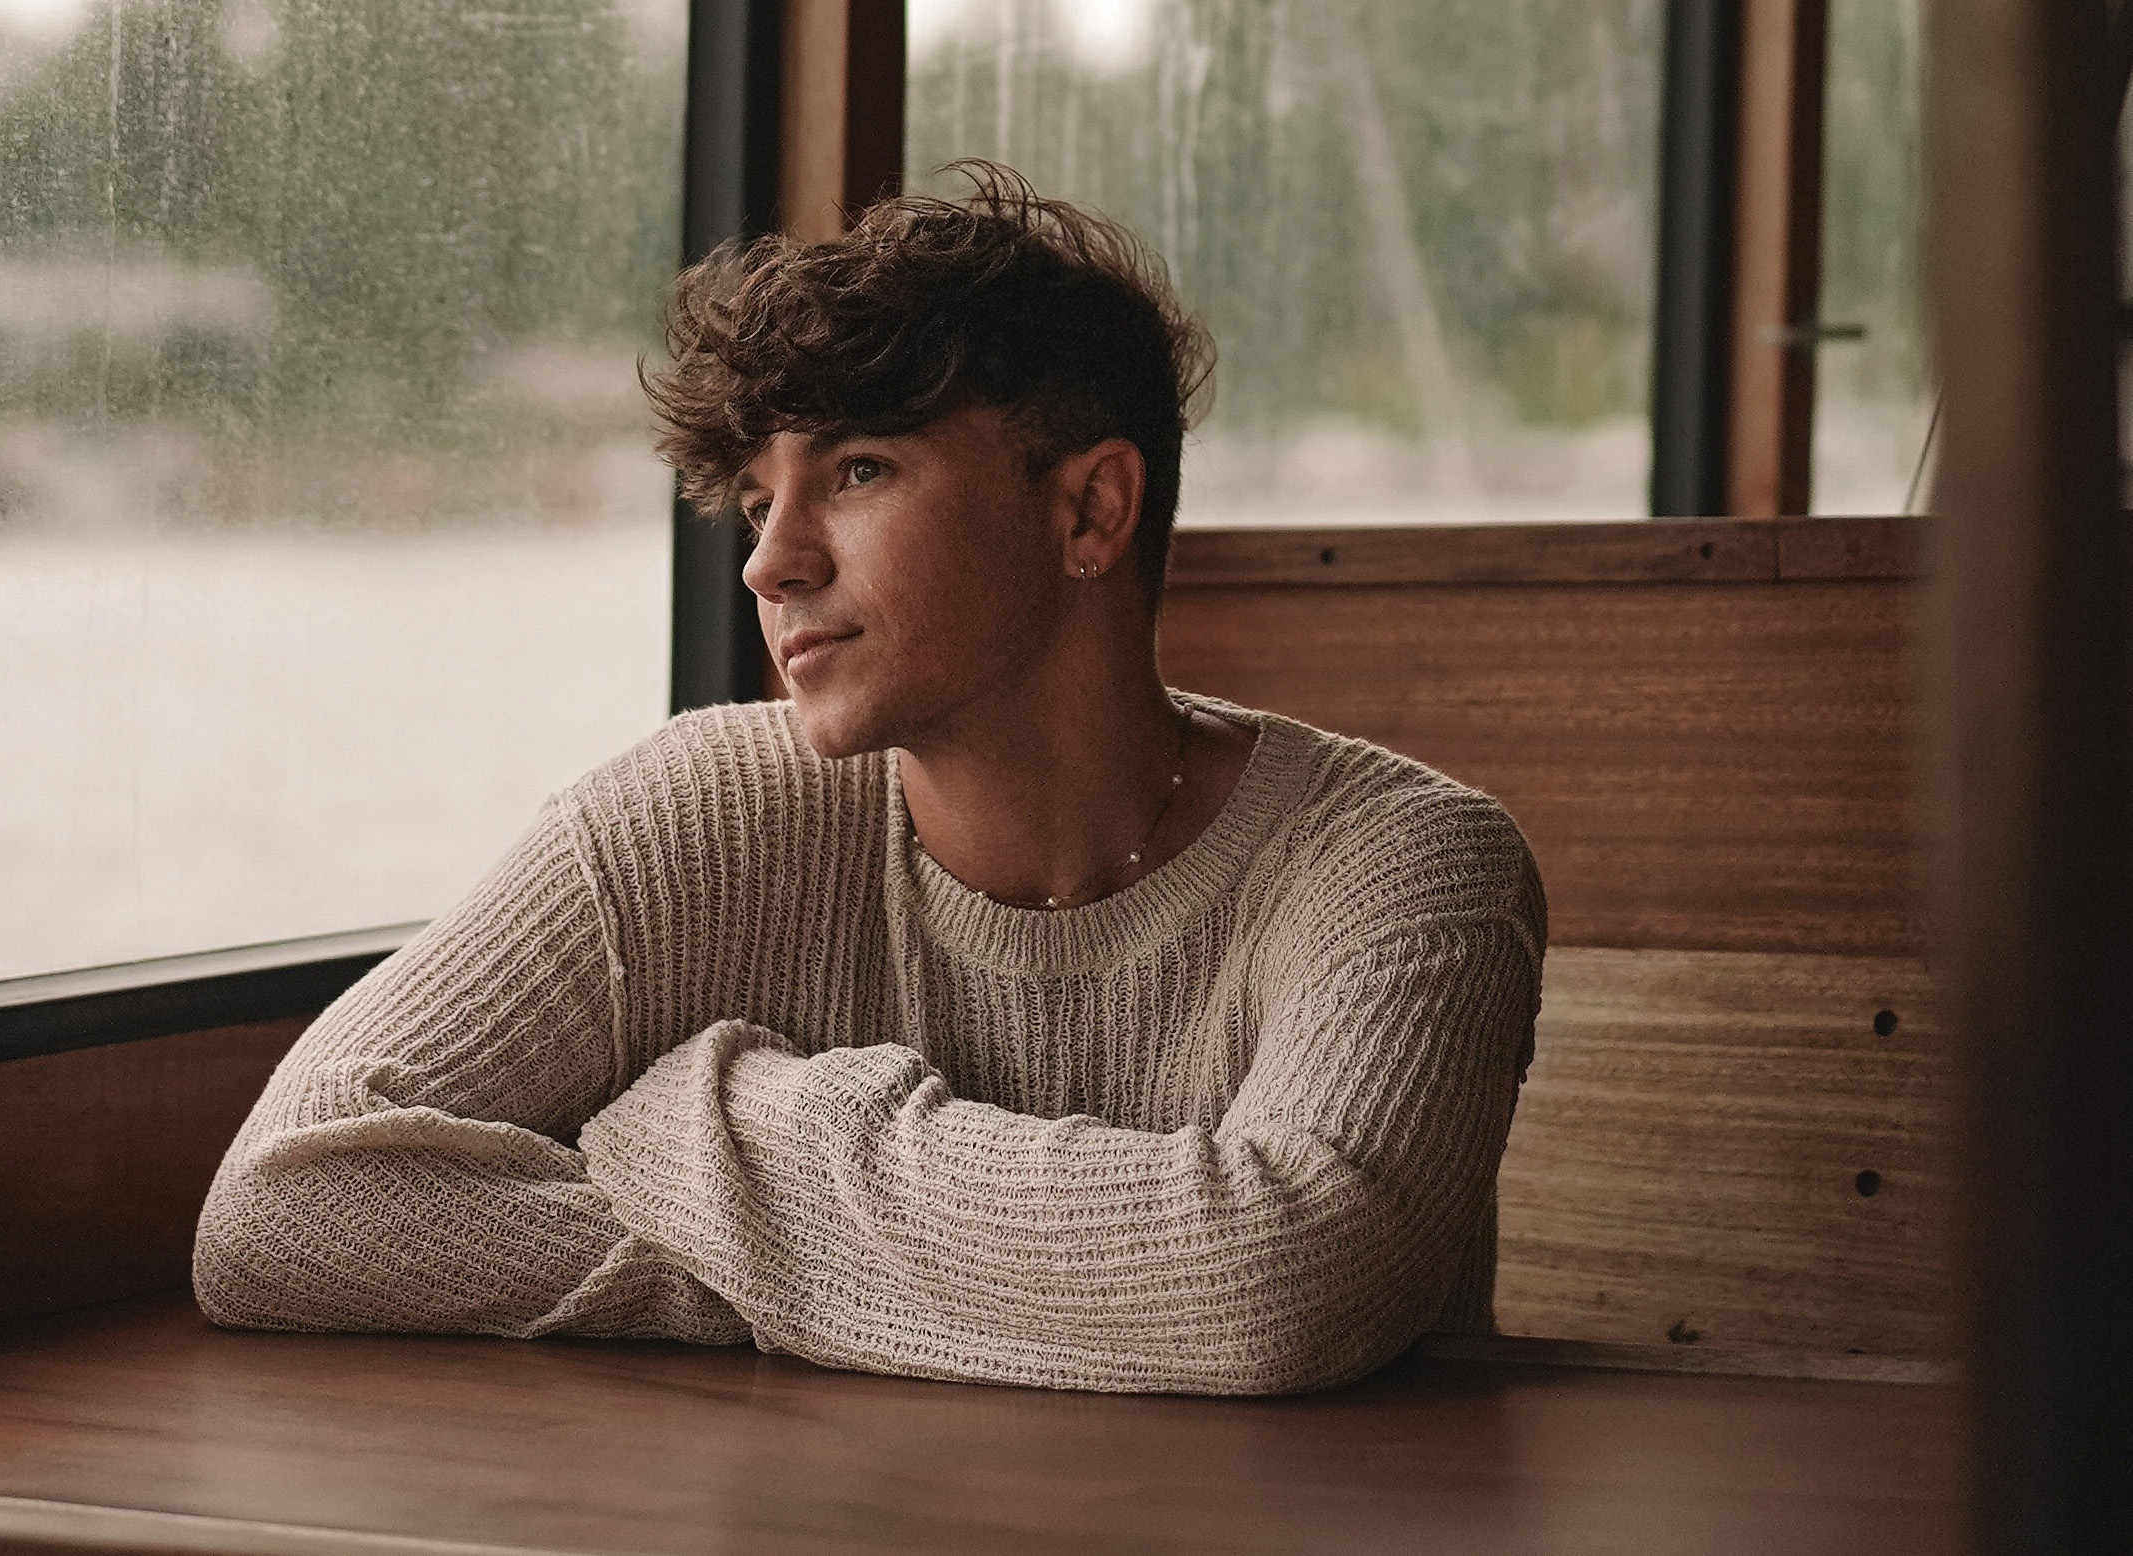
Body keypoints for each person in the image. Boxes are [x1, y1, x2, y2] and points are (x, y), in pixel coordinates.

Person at [192, 163, 1546, 1395]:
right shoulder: (702, 814)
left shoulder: (1404, 863)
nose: (770, 564)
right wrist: (823, 1274)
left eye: (856, 470)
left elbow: (1278, 1285)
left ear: (1088, 511)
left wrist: (716, 1121)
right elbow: (282, 1211)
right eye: (755, 497)